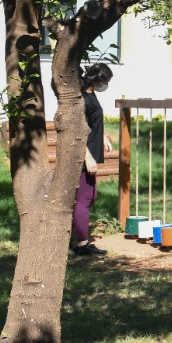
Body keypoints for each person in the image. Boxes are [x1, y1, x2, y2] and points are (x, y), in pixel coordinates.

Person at [71, 63, 113, 257]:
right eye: (105, 80)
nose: (105, 85)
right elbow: (78, 130)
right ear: (97, 79)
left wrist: (102, 136)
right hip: (84, 154)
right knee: (84, 200)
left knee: (90, 197)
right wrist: (87, 157)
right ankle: (82, 244)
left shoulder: (90, 94)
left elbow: (91, 123)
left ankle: (77, 236)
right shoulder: (82, 98)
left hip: (91, 151)